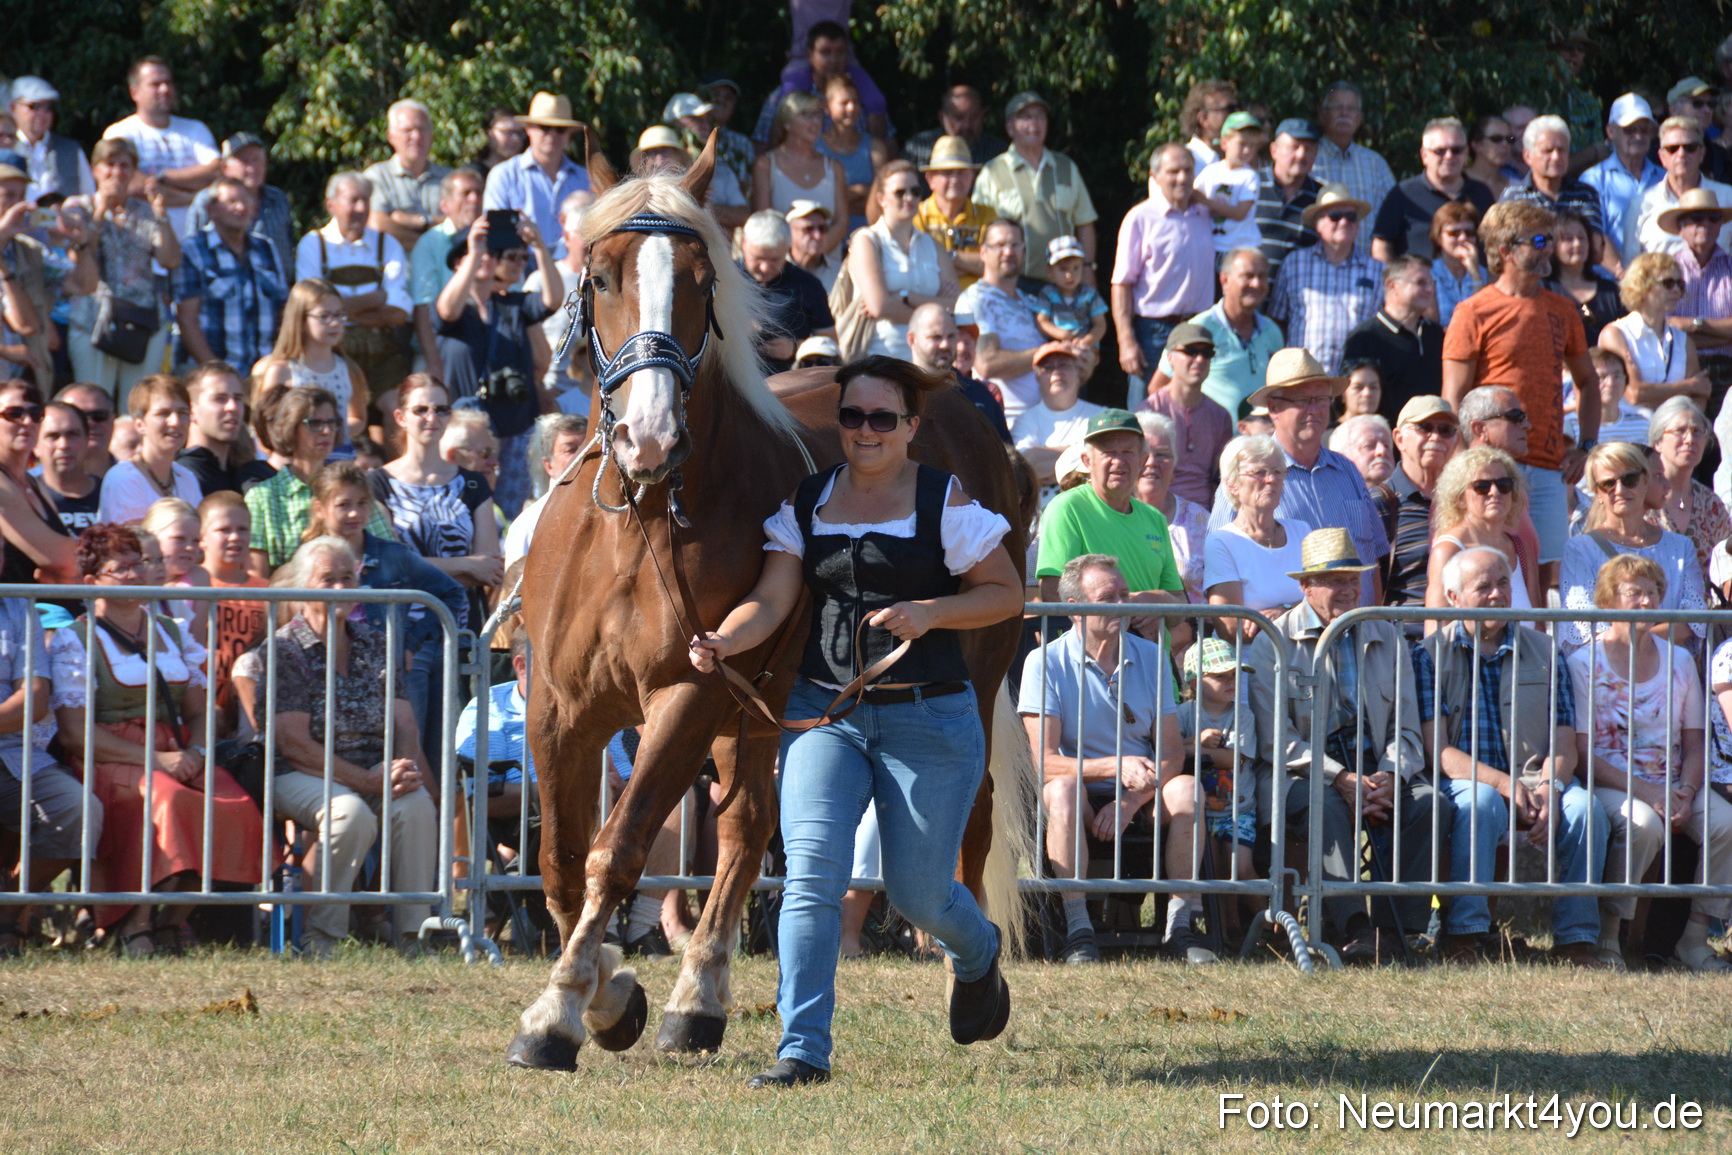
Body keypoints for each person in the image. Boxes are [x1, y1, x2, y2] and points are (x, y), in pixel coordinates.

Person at [689, 356, 1022, 1087]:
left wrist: (932, 611)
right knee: (809, 876)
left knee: (918, 893)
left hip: (929, 718)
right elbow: (773, 600)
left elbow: (1005, 593)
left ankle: (977, 952)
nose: (864, 431)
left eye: (881, 418)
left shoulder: (944, 501)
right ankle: (802, 1048)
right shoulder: (807, 501)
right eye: (852, 416)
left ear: (909, 427)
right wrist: (726, 639)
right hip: (824, 713)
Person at [54, 522, 263, 955]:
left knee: (233, 805)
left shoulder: (172, 630)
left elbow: (201, 708)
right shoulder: (75, 640)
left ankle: (170, 922)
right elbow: (75, 733)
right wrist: (156, 760)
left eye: (139, 564)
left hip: (177, 750)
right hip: (109, 756)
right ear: (92, 582)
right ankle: (136, 924)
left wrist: (200, 751)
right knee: (169, 800)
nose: (133, 574)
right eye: (119, 569)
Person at [1413, 547, 1614, 967]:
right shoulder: (1429, 655)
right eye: (1483, 586)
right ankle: (1464, 934)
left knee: (1586, 810)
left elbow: (1563, 739)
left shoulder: (1545, 649)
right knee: (1481, 804)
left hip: (1535, 780)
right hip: (1468, 782)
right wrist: (1503, 785)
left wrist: (1549, 787)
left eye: (1503, 583)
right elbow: (1439, 751)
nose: (1496, 594)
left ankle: (1577, 940)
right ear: (1454, 598)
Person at [1246, 526, 1433, 961]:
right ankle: (1353, 926)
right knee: (1325, 804)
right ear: (1306, 586)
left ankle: (1400, 932)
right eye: (1335, 580)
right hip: (1300, 772)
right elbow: (1278, 743)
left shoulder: (1387, 634)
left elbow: (1406, 729)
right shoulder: (1271, 643)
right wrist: (1341, 778)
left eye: (1355, 578)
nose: (1349, 590)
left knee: (1426, 801)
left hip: (1373, 763)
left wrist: (1388, 774)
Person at [1018, 553, 1209, 965]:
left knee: (1188, 789)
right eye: (1110, 597)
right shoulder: (1044, 662)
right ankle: (1078, 930)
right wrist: (1115, 767)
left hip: (1143, 791)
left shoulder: (1151, 656)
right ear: (1074, 609)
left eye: (1126, 594)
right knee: (1063, 788)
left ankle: (1180, 926)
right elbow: (1044, 763)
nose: (1124, 605)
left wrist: (1130, 802)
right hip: (1080, 795)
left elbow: (1173, 752)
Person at [265, 535, 440, 957]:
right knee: (350, 813)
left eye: (348, 577)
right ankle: (321, 937)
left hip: (371, 771)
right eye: (329, 580)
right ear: (304, 586)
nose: (341, 589)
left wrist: (398, 769)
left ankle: (414, 936)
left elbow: (404, 721)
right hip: (299, 774)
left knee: (416, 805)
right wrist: (367, 780)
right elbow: (293, 743)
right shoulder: (286, 648)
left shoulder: (374, 643)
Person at [1566, 553, 1732, 972]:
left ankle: (1693, 939)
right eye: (1633, 593)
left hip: (1674, 785)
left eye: (1652, 592)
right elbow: (1584, 755)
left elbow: (1694, 745)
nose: (1645, 601)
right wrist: (1648, 793)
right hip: (1612, 785)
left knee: (1726, 824)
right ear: (1608, 601)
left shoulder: (1679, 661)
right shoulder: (1584, 663)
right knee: (1643, 824)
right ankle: (1609, 937)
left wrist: (1687, 792)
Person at [1443, 201, 1598, 588]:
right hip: (1488, 466)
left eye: (1552, 239)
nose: (1550, 249)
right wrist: (1466, 465)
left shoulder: (1563, 310)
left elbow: (1589, 382)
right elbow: (1453, 395)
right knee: (1488, 566)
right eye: (1540, 240)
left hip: (1548, 468)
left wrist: (1587, 445)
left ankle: (1540, 650)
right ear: (1505, 251)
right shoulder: (1473, 311)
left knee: (1549, 576)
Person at [1207, 348, 1391, 604]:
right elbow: (1220, 561)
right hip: (1284, 638)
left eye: (1322, 399)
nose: (1315, 409)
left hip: (1357, 632)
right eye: (1303, 400)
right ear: (1273, 408)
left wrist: (1372, 623)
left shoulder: (1348, 470)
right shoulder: (1248, 477)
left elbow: (1374, 558)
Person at [435, 211, 561, 516]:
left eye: (490, 253)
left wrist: (540, 248)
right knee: (462, 509)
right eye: (478, 252)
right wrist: (474, 249)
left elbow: (552, 300)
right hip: (468, 431)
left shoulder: (512, 305)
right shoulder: (456, 311)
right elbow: (446, 310)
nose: (486, 258)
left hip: (516, 427)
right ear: (457, 264)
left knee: (509, 513)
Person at [0, 589, 99, 956]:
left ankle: (9, 910)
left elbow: (35, 699)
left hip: (12, 750)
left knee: (78, 810)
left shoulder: (18, 608)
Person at [370, 375, 501, 631]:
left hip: (460, 627)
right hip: (400, 629)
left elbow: (489, 569)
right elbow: (391, 568)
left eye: (441, 410)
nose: (432, 418)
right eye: (421, 410)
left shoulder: (472, 484)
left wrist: (417, 568)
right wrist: (465, 566)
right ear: (400, 417)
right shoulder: (377, 483)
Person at [1034, 409, 1185, 613]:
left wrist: (1157, 601)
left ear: (1142, 460)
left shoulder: (1155, 518)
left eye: (1128, 452)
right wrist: (1128, 613)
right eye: (1108, 452)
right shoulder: (1067, 508)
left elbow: (1180, 604)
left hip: (1150, 645)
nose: (1118, 460)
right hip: (1094, 643)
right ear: (1087, 461)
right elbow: (1053, 593)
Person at [1560, 442, 1705, 652]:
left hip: (1669, 672)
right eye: (1608, 484)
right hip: (1607, 673)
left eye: (1629, 480)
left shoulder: (1681, 547)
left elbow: (1693, 617)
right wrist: (1642, 645)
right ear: (1596, 493)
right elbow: (1584, 623)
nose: (1619, 490)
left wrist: (1644, 645)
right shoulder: (1579, 548)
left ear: (1644, 481)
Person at [63, 138, 179, 396]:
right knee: (93, 403)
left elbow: (169, 260)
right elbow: (77, 256)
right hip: (93, 320)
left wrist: (161, 215)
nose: (118, 172)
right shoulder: (77, 207)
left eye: (125, 165)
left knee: (138, 406)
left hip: (143, 322)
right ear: (95, 169)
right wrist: (100, 211)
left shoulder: (145, 211)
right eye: (110, 164)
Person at [296, 172, 413, 416]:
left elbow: (399, 314)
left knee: (398, 414)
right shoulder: (313, 244)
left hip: (384, 356)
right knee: (339, 415)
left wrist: (341, 311)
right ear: (332, 205)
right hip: (333, 353)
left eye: (366, 201)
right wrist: (375, 299)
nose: (361, 208)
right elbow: (310, 309)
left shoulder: (388, 244)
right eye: (353, 200)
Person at [244, 385, 395, 574]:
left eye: (332, 423)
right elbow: (257, 579)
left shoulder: (352, 487)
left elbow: (391, 556)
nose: (327, 431)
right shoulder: (262, 497)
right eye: (314, 423)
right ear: (290, 427)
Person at [1110, 143, 1213, 401]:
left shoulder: (1205, 215)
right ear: (1155, 177)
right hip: (1154, 333)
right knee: (1146, 412)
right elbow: (1121, 283)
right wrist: (1126, 341)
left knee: (1195, 410)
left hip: (1200, 327)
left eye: (1188, 170)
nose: (1182, 177)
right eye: (1173, 171)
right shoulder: (1140, 218)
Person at [972, 92, 1098, 283]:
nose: (1034, 124)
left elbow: (1085, 223)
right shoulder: (993, 172)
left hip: (1064, 284)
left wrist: (1088, 268)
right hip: (1013, 284)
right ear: (1010, 128)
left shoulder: (1066, 168)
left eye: (1039, 117)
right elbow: (979, 232)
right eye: (1025, 117)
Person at [1147, 248, 1282, 419]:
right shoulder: (1198, 328)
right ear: (1225, 280)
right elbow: (1158, 387)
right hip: (1213, 441)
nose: (1256, 284)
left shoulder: (1272, 331)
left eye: (1262, 276)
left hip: (1262, 441)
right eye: (1248, 276)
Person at [173, 177, 288, 373]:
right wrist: (220, 374)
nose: (241, 207)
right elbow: (186, 320)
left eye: (246, 201)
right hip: (211, 373)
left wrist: (276, 364)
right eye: (232, 202)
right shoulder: (192, 249)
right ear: (211, 210)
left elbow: (283, 311)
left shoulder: (266, 247)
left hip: (266, 371)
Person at [1266, 183, 1381, 374]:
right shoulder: (1294, 264)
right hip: (1302, 378)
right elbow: (1277, 323)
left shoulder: (1377, 270)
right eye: (1335, 216)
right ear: (1318, 224)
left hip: (1355, 385)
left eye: (1351, 217)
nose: (1344, 222)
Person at [99, 57, 217, 241]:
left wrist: (164, 177)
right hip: (146, 246)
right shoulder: (120, 132)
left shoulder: (195, 129)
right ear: (135, 92)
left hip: (199, 246)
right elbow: (133, 184)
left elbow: (217, 172)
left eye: (168, 82)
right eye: (155, 84)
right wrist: (196, 198)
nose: (165, 89)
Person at [1203, 434, 1310, 632]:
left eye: (1278, 472)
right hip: (1250, 660)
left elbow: (1325, 602)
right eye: (1259, 472)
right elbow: (1231, 628)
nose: (1271, 480)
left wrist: (1283, 612)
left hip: (1306, 656)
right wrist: (1301, 614)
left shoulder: (1302, 531)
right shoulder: (1222, 542)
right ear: (1233, 484)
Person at [1423, 446, 1539, 622]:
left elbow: (1537, 622)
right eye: (1482, 487)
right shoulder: (1447, 550)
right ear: (1459, 499)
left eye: (1504, 485)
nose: (1495, 492)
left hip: (1524, 649)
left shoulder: (1519, 547)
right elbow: (1436, 630)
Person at [252, 279, 369, 453]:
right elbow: (265, 426)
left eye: (338, 315)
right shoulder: (282, 371)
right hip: (297, 460)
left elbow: (357, 417)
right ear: (300, 320)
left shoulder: (347, 368)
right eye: (324, 316)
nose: (335, 323)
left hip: (338, 458)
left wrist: (334, 433)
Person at [954, 218, 1045, 421]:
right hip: (1005, 421)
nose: (1008, 252)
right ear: (983, 252)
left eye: (1015, 245)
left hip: (1048, 418)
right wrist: (1046, 354)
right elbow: (986, 363)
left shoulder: (1033, 303)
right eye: (1000, 245)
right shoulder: (973, 299)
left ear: (1023, 251)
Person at [751, 20, 893, 149]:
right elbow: (762, 149)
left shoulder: (864, 95)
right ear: (810, 55)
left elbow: (889, 147)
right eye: (825, 53)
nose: (834, 60)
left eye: (840, 52)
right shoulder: (783, 96)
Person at [1371, 117, 1495, 262]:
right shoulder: (1403, 194)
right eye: (1440, 151)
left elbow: (1493, 246)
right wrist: (1397, 279)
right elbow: (1380, 247)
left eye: (1457, 150)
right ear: (1424, 156)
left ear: (1466, 152)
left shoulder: (1482, 193)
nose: (1449, 156)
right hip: (1418, 282)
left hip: (1474, 282)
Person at [482, 93, 589, 261]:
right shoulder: (504, 175)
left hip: (574, 276)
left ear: (569, 134)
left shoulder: (585, 179)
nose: (552, 134)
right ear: (528, 129)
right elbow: (498, 238)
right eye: (544, 127)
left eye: (560, 129)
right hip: (520, 273)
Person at [195, 490, 267, 736]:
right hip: (200, 706)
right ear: (202, 537)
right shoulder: (191, 586)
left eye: (243, 529)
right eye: (224, 530)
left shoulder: (266, 590)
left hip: (246, 706)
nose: (235, 537)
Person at [1599, 252, 1706, 413]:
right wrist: (1687, 386)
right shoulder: (1615, 334)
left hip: (1673, 434)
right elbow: (1634, 394)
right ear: (1642, 285)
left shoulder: (1684, 342)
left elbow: (1700, 394)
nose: (1676, 290)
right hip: (1628, 434)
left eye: (1680, 284)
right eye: (1668, 283)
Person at [1140, 321, 1232, 506]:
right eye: (1191, 351)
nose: (1199, 359)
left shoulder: (1220, 416)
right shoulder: (1149, 410)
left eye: (1207, 353)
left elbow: (1221, 479)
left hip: (1206, 514)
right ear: (1170, 357)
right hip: (1157, 512)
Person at [1665, 189, 1732, 442]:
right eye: (1697, 217)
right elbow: (1664, 326)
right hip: (1678, 371)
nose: (1705, 223)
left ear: (1719, 226)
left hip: (1727, 372)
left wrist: (1695, 325)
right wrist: (1724, 336)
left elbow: (1679, 327)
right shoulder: (1665, 268)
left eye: (1713, 218)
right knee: (1683, 442)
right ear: (1681, 227)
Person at [409, 169, 486, 383]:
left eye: (478, 192)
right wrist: (434, 361)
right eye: (466, 193)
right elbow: (423, 306)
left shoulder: (492, 240)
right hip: (440, 345)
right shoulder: (429, 243)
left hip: (486, 340)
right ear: (445, 205)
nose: (474, 199)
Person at [184, 133, 296, 278]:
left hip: (274, 293)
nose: (251, 168)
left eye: (256, 160)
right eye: (244, 161)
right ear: (225, 168)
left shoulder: (278, 199)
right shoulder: (208, 201)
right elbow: (191, 253)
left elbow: (289, 247)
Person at [1384, 396, 1459, 609]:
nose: (1436, 437)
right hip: (1401, 636)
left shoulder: (1465, 501)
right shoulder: (1380, 502)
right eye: (1424, 428)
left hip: (1461, 637)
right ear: (1399, 439)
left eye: (1446, 430)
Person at [1646, 396, 1730, 587]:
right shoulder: (1641, 497)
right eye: (1680, 431)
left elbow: (1727, 560)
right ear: (1658, 441)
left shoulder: (1711, 504)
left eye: (1697, 432)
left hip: (1704, 611)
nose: (1690, 439)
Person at [752, 93, 849, 257]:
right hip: (783, 267)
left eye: (818, 115)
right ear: (787, 123)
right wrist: (796, 258)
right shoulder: (766, 165)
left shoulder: (834, 167)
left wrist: (815, 252)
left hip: (827, 266)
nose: (816, 122)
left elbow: (842, 221)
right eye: (806, 115)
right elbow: (764, 221)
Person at [96, 375, 202, 523]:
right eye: (163, 413)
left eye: (183, 413)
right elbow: (138, 542)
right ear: (140, 425)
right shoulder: (123, 478)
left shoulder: (187, 478)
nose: (175, 422)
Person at [741, 211, 835, 374]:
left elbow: (830, 342)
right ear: (744, 244)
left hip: (788, 386)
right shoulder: (722, 279)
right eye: (758, 258)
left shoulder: (807, 285)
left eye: (775, 260)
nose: (765, 267)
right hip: (730, 382)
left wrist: (795, 347)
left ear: (787, 249)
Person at [1627, 117, 1732, 260]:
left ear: (1702, 154)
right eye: (1672, 149)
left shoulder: (1727, 198)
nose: (1681, 154)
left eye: (1690, 148)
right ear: (1662, 157)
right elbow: (1631, 266)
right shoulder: (1641, 204)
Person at [523, 190, 592, 407]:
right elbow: (525, 340)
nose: (591, 243)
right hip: (554, 395)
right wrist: (540, 388)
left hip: (598, 394)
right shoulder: (541, 280)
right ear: (567, 233)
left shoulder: (612, 283)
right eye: (585, 234)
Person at [904, 302, 1010, 442]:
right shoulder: (897, 393)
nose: (945, 344)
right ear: (912, 340)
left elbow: (1006, 453)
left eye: (951, 336)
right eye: (936, 337)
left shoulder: (980, 394)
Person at [1312, 82, 1395, 256]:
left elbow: (1392, 220)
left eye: (1351, 108)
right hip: (1314, 267)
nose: (1345, 113)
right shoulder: (1308, 158)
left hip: (1365, 270)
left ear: (1360, 117)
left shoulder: (1375, 164)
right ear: (1322, 114)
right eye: (1337, 107)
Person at [1582, 94, 1664, 266]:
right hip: (1612, 285)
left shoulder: (1665, 178)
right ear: (1611, 132)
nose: (1639, 136)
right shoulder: (1594, 180)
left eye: (1644, 130)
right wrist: (1626, 280)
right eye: (1630, 130)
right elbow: (1594, 237)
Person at [1136, 411, 1209, 603]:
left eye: (1162, 455)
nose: (1151, 462)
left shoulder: (1199, 519)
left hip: (1194, 628)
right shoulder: (1112, 515)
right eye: (1144, 454)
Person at [1011, 344, 1102, 499]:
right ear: (1037, 378)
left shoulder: (1100, 415)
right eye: (1048, 367)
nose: (1057, 371)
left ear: (1077, 372)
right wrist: (1085, 458)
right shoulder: (1025, 420)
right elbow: (1026, 466)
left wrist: (1044, 467)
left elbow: (1105, 461)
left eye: (1064, 365)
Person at [364, 100, 451, 254]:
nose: (416, 137)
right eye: (407, 130)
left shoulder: (450, 178)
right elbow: (378, 227)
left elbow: (464, 225)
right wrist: (436, 237)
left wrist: (412, 220)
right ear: (391, 136)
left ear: (431, 134)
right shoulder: (377, 176)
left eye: (422, 129)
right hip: (395, 274)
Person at [1499, 116, 1605, 243]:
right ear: (1528, 156)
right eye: (1548, 151)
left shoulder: (1584, 194)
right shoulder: (1514, 197)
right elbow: (1510, 247)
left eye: (1561, 150)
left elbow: (1595, 246)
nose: (1556, 157)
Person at [503, 412, 588, 565]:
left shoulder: (620, 512)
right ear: (549, 465)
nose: (582, 454)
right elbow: (514, 585)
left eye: (587, 446)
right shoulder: (530, 525)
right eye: (570, 449)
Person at [912, 136, 995, 291]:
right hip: (930, 302)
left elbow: (996, 265)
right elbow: (916, 267)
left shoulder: (988, 216)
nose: (955, 179)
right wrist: (972, 265)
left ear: (972, 177)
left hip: (981, 303)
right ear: (930, 180)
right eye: (947, 173)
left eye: (962, 172)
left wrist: (948, 258)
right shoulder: (915, 215)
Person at [1542, 206, 1623, 348]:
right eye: (1568, 239)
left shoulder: (1611, 292)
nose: (1577, 243)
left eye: (1582, 237)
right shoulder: (1541, 290)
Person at [1254, 119, 1324, 279]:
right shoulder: (1250, 185)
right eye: (1294, 147)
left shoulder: (1321, 198)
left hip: (1297, 297)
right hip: (1249, 294)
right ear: (1274, 151)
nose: (1301, 154)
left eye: (1308, 148)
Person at [816, 75, 885, 231]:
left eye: (855, 102)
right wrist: (862, 191)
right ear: (827, 107)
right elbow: (819, 199)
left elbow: (883, 196)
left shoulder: (875, 147)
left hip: (868, 233)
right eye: (844, 103)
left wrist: (841, 200)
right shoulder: (816, 147)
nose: (851, 108)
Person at [7, 76, 93, 199]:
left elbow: (89, 195)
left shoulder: (71, 150)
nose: (42, 114)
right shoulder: (6, 149)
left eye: (48, 107)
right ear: (13, 108)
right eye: (34, 106)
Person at [1194, 112, 1265, 259]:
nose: (1247, 150)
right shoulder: (1210, 171)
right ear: (1224, 143)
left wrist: (1209, 204)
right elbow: (1194, 195)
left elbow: (1240, 213)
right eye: (1242, 144)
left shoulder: (1250, 176)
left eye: (1252, 146)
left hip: (1240, 249)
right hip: (1212, 246)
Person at [903, 86, 1005, 175]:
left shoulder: (997, 152)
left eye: (974, 117)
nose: (966, 125)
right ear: (942, 117)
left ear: (983, 116)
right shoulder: (918, 147)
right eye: (959, 118)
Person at [36, 400, 103, 533]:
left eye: (73, 435)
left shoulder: (112, 493)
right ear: (34, 445)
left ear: (87, 440)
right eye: (53, 436)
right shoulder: (26, 498)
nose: (64, 445)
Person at [1428, 201, 1485, 328]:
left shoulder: (1487, 275)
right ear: (1438, 237)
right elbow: (1431, 322)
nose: (1463, 238)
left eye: (1469, 232)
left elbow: (1483, 315)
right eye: (1454, 233)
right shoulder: (1428, 273)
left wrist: (1474, 273)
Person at [55, 383, 119, 479]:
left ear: (113, 420)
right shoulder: (32, 486)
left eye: (99, 415)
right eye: (79, 416)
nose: (90, 423)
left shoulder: (137, 479)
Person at [1180, 80, 1238, 172]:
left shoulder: (1238, 157)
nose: (1237, 114)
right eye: (1230, 109)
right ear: (1204, 118)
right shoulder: (1183, 161)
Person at [784, 200, 841, 292]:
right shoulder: (775, 271)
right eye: (808, 229)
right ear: (789, 232)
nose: (817, 236)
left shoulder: (839, 272)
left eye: (822, 228)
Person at [469, 107, 527, 181]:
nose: (515, 139)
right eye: (507, 132)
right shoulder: (474, 175)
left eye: (519, 133)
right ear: (488, 134)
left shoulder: (524, 175)